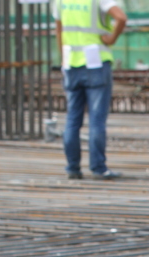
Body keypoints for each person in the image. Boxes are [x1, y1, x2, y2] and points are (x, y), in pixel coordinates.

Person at [54, 0, 127, 180]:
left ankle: (72, 167)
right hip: (96, 62)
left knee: (72, 119)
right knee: (96, 119)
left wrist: (64, 60)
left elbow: (59, 30)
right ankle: (98, 167)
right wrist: (111, 38)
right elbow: (121, 18)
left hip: (71, 62)